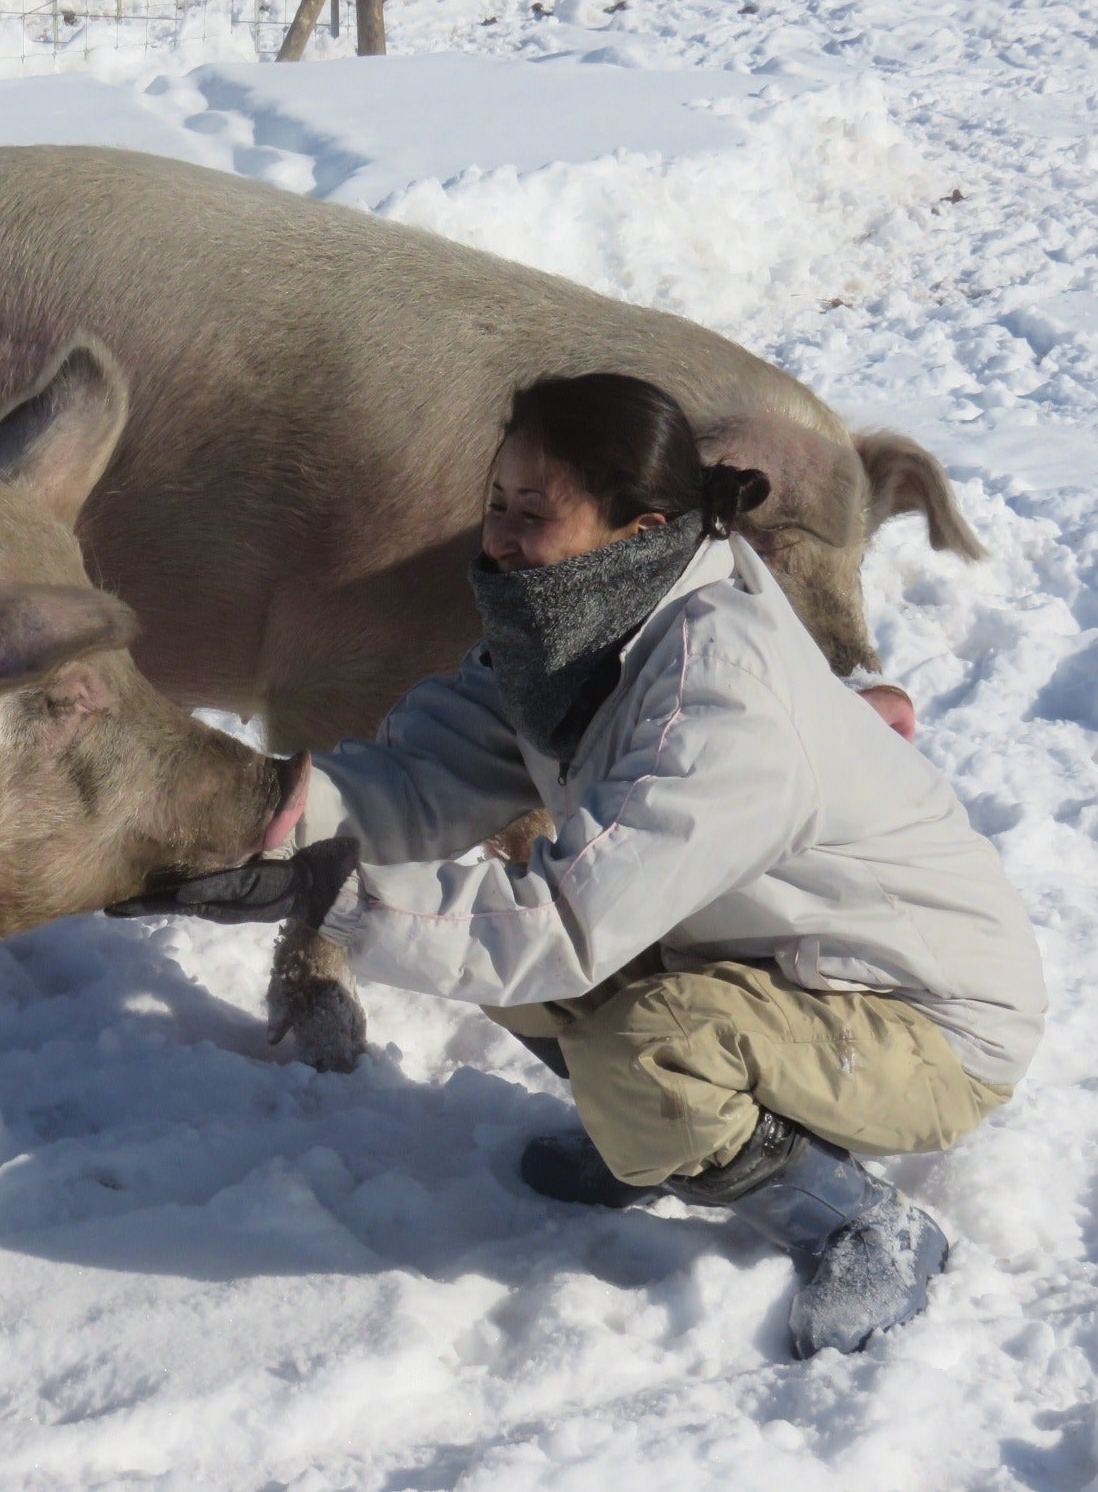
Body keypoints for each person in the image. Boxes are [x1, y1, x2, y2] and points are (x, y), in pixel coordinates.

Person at [109, 372, 1045, 1358]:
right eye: (496, 506)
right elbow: (415, 780)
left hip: (921, 1019)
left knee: (637, 1042)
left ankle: (851, 1219)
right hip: (768, 959)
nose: (501, 538)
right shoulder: (564, 634)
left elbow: (559, 926)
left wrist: (323, 896)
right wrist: (260, 822)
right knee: (478, 948)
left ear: (638, 534)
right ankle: (658, 1138)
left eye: (534, 514)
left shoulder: (718, 695)